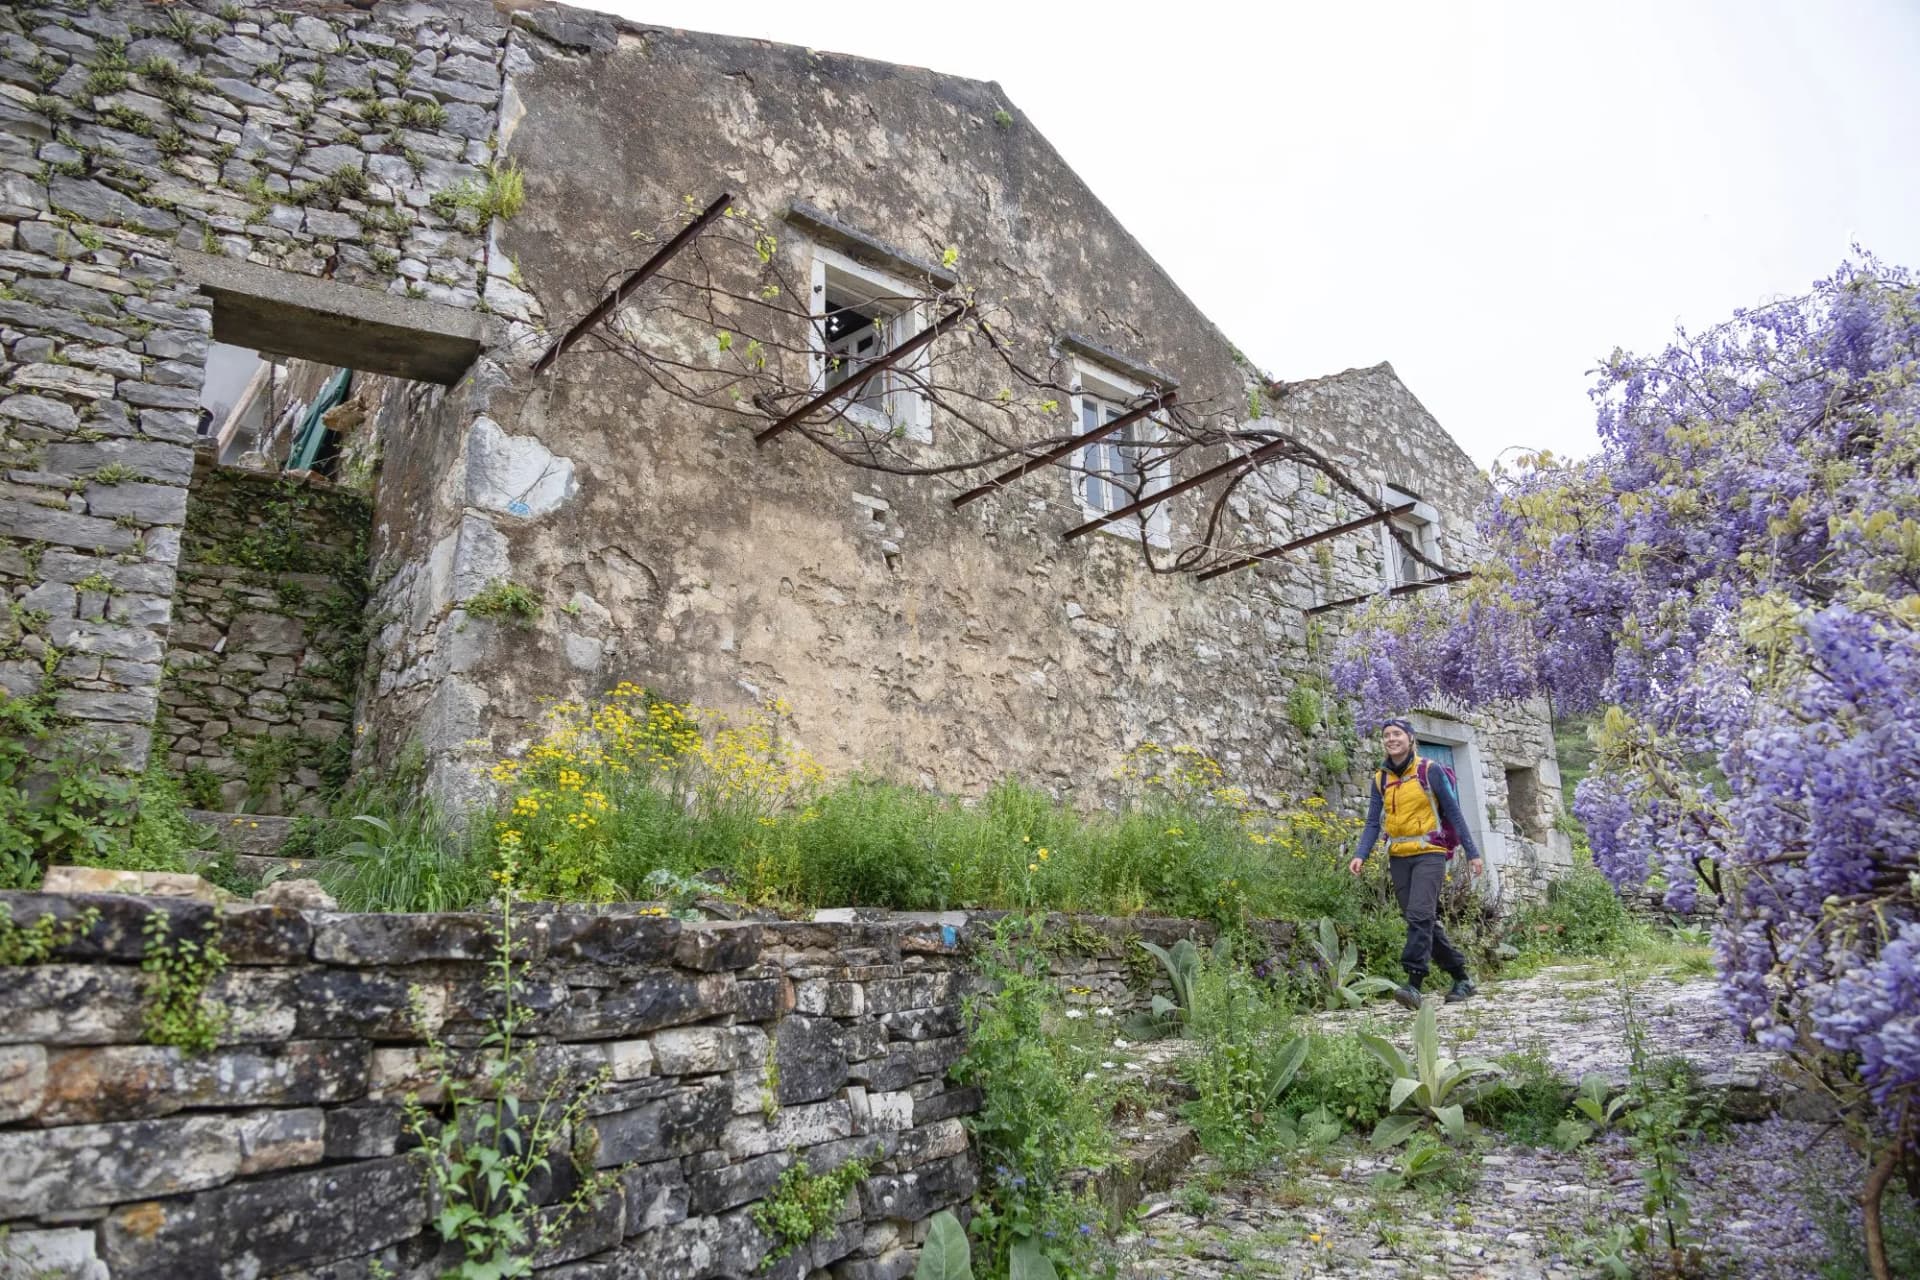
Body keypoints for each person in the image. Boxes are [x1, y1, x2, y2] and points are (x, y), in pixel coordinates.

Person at [1347, 718, 1482, 1009]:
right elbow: (1373, 822)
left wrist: (1473, 853)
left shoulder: (1429, 770)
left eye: (1397, 734)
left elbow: (1454, 813)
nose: (1391, 739)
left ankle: (1413, 984)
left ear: (1410, 738)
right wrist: (1360, 854)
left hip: (1430, 853)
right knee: (1421, 921)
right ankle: (1461, 977)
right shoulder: (1381, 779)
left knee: (1420, 915)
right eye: (1387, 735)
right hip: (1399, 856)